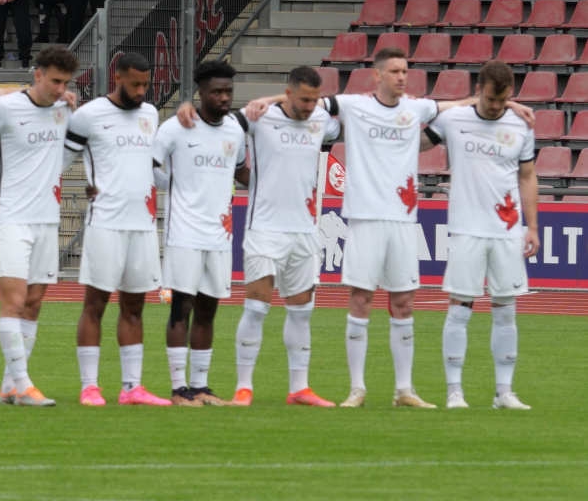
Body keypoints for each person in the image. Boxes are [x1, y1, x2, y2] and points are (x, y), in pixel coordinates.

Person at [241, 47, 519, 408]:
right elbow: (304, 99)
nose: (402, 77)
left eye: (405, 71)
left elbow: (464, 104)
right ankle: (357, 388)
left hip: (404, 219)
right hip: (364, 216)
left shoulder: (416, 109)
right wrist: (267, 99)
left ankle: (404, 389)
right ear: (377, 75)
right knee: (361, 299)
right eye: (394, 71)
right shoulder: (353, 106)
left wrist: (511, 106)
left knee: (404, 303)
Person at [226, 65, 341, 407]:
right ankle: (243, 387)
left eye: (314, 100)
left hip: (305, 230)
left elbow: (350, 112)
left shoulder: (322, 121)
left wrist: (309, 104)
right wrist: (268, 100)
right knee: (257, 307)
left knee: (302, 312)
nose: (309, 107)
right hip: (264, 228)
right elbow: (218, 120)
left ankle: (299, 388)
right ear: (288, 94)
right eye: (304, 99)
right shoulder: (259, 117)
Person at [62, 51, 172, 406]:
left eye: (146, 84)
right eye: (135, 83)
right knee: (95, 304)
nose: (141, 91)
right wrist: (83, 187)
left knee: (135, 305)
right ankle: (89, 386)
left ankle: (131, 388)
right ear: (118, 77)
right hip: (105, 223)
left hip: (142, 223)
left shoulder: (151, 114)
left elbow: (151, 166)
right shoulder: (88, 116)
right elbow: (61, 161)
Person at [0, 44, 78, 406]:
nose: (59, 89)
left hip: (48, 218)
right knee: (14, 300)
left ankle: (8, 386)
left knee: (34, 302)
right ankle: (24, 382)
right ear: (37, 75)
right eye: (54, 81)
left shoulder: (65, 111)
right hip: (11, 216)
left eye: (65, 82)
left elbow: (66, 154)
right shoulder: (5, 108)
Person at [433, 60, 537, 411]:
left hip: (507, 229)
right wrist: (461, 102)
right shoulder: (453, 119)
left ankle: (504, 392)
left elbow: (527, 176)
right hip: (466, 227)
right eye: (492, 99)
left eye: (503, 99)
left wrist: (532, 226)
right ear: (479, 90)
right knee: (459, 309)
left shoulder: (521, 125)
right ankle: (454, 391)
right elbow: (417, 130)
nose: (496, 106)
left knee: (506, 310)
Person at [153, 60, 248, 406]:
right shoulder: (176, 128)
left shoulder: (235, 131)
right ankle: (178, 389)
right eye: (217, 92)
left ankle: (201, 387)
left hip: (220, 234)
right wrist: (172, 186)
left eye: (228, 92)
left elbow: (240, 171)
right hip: (184, 233)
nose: (224, 98)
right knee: (182, 307)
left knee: (209, 309)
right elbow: (149, 165)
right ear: (201, 93)